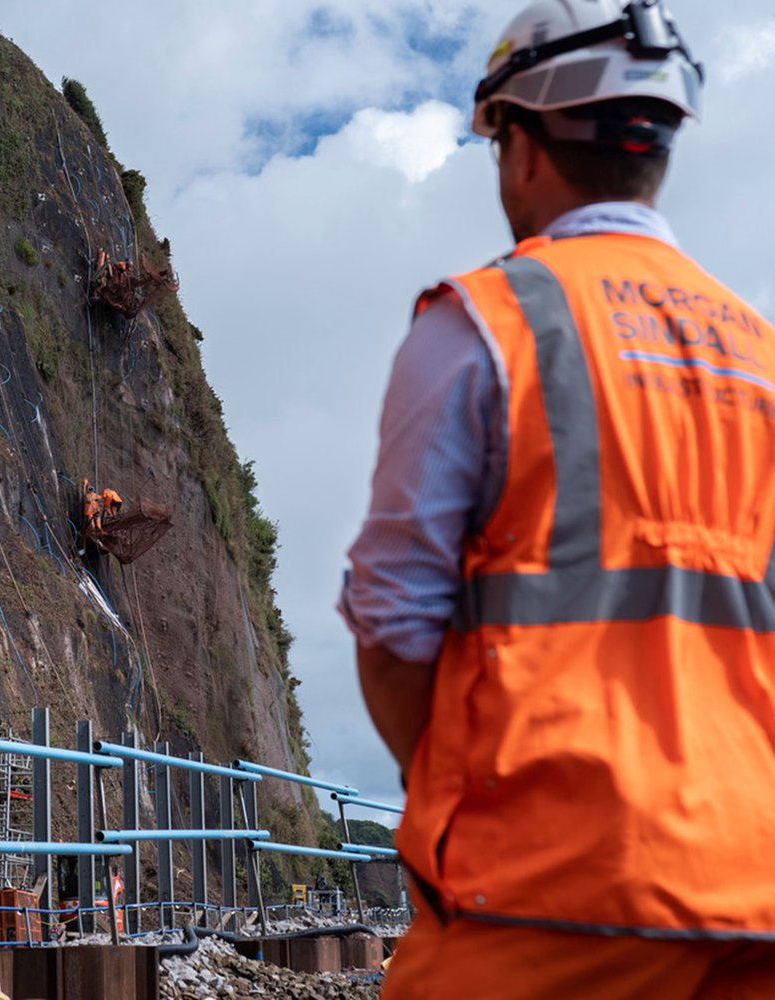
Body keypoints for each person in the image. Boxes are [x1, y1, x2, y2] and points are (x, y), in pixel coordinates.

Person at [341, 1, 775, 994]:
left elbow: (389, 619)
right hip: (749, 887)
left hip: (543, 887)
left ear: (524, 146)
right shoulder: (756, 355)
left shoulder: (485, 323)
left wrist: (462, 796)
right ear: (654, 150)